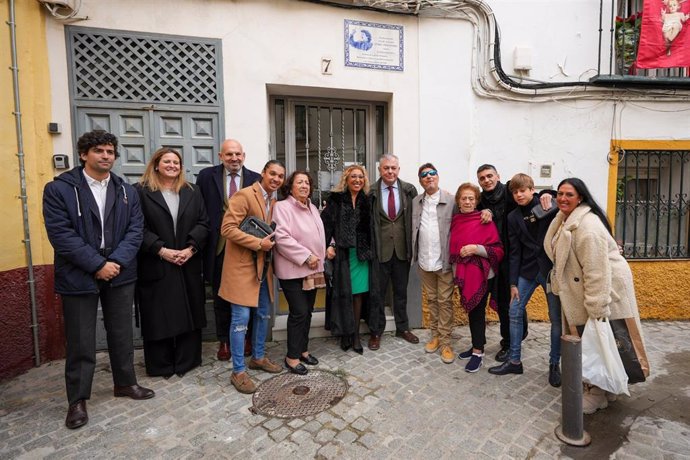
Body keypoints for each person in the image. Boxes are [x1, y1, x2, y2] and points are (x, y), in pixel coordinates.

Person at [42, 130, 154, 430]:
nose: (106, 156)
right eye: (99, 151)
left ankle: (125, 383)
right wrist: (97, 264)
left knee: (121, 332)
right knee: (81, 340)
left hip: (120, 271)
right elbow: (61, 234)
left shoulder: (127, 191)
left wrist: (115, 262)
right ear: (83, 154)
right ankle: (77, 400)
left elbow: (135, 229)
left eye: (110, 152)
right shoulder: (60, 189)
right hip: (79, 273)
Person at [544, 178, 645, 413]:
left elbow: (596, 271)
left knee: (595, 342)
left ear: (580, 197)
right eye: (560, 193)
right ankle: (604, 389)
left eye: (569, 194)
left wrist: (597, 307)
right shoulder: (564, 220)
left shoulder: (588, 228)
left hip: (600, 294)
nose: (563, 198)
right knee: (594, 341)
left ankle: (596, 391)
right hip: (577, 291)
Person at [135, 147, 209, 378]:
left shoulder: (192, 191)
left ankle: (187, 360)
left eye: (176, 162)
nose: (172, 165)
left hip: (187, 261)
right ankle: (161, 365)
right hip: (156, 262)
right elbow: (136, 228)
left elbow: (204, 223)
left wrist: (191, 249)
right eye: (167, 161)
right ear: (156, 164)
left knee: (189, 311)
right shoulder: (140, 192)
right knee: (159, 314)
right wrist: (161, 250)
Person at [488, 174, 562, 388]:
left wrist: (551, 193)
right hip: (526, 270)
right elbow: (514, 252)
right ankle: (514, 360)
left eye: (523, 190)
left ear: (532, 190)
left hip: (551, 271)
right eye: (515, 191)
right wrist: (512, 283)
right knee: (514, 312)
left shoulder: (547, 203)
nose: (519, 194)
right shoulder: (512, 218)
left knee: (555, 320)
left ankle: (554, 364)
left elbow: (565, 199)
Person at [219, 160, 286, 394]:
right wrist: (259, 243)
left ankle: (257, 357)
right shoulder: (244, 195)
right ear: (263, 174)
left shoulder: (274, 201)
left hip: (263, 268)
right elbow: (227, 229)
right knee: (240, 320)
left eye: (280, 176)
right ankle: (238, 371)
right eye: (273, 174)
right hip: (241, 268)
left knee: (263, 314)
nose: (276, 179)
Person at [476, 164, 551, 362]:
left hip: (514, 256)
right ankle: (509, 339)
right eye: (482, 178)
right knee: (502, 302)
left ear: (498, 176)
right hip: (493, 257)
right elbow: (465, 206)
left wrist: (547, 193)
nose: (487, 180)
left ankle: (512, 341)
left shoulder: (509, 192)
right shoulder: (481, 200)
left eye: (490, 176)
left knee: (510, 303)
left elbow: (532, 193)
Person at [196, 139, 260, 361]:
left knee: (248, 294)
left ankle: (247, 338)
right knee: (221, 294)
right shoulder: (206, 177)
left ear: (244, 156)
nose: (234, 158)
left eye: (238, 154)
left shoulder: (255, 179)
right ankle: (224, 340)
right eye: (229, 154)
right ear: (220, 156)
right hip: (218, 247)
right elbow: (199, 209)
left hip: (246, 247)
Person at [321, 165, 381, 355]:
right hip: (343, 254)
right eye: (353, 176)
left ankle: (354, 335)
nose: (357, 180)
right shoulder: (336, 200)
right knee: (344, 293)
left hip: (362, 255)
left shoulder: (369, 200)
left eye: (360, 177)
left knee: (358, 295)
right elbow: (324, 225)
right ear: (346, 179)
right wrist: (329, 245)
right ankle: (345, 333)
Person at [272, 171, 326, 375]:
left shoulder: (311, 207)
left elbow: (318, 234)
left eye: (307, 182)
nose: (304, 185)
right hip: (294, 270)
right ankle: (291, 357)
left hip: (312, 269)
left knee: (308, 311)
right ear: (291, 187)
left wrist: (326, 248)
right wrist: (306, 255)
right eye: (299, 182)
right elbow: (282, 237)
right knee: (299, 312)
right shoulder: (283, 207)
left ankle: (303, 350)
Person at [450, 183, 504, 372]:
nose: (467, 201)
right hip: (464, 274)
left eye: (471, 198)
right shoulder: (456, 221)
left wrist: (476, 249)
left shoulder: (485, 220)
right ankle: (476, 344)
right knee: (473, 312)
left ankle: (478, 353)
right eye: (464, 198)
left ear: (476, 201)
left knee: (477, 312)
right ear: (458, 201)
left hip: (483, 276)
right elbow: (454, 249)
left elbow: (498, 250)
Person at [368, 154, 419, 350]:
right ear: (380, 170)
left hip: (402, 251)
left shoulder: (408, 190)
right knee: (377, 294)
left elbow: (420, 212)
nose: (390, 171)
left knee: (400, 293)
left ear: (399, 169)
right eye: (386, 168)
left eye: (394, 168)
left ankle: (402, 328)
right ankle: (376, 331)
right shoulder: (371, 191)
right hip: (380, 252)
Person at [411, 164, 456, 364]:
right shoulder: (415, 202)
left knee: (444, 302)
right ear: (420, 180)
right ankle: (435, 335)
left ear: (438, 176)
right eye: (424, 175)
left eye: (432, 173)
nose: (429, 177)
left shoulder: (452, 200)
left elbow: (468, 216)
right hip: (424, 260)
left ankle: (446, 342)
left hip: (444, 262)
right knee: (431, 300)